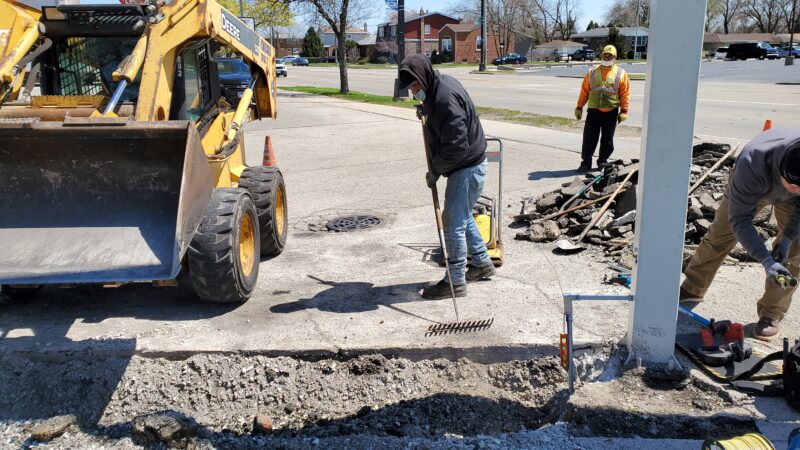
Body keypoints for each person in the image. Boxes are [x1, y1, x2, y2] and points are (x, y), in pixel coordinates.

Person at [680, 128, 800, 341]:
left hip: (788, 200)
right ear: (780, 173)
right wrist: (766, 260)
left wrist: (787, 240)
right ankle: (692, 287)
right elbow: (740, 221)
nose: (797, 191)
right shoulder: (752, 164)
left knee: (796, 251)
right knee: (720, 234)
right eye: (793, 186)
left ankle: (771, 313)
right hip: (754, 183)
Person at [397, 54, 495, 299]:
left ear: (425, 77)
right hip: (467, 165)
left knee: (452, 223)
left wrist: (436, 170)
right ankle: (482, 263)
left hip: (467, 167)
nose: (413, 92)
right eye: (411, 88)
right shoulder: (437, 88)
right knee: (462, 216)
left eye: (415, 87)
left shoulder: (444, 99)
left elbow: (457, 147)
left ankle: (455, 282)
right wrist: (425, 108)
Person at [574, 45, 630, 172]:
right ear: (601, 55)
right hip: (593, 111)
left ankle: (603, 162)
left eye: (610, 55)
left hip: (611, 111)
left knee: (607, 139)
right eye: (605, 54)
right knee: (589, 138)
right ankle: (585, 163)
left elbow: (625, 93)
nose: (607, 56)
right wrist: (579, 107)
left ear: (615, 57)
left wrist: (624, 111)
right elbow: (584, 91)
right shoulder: (592, 72)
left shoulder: (621, 73)